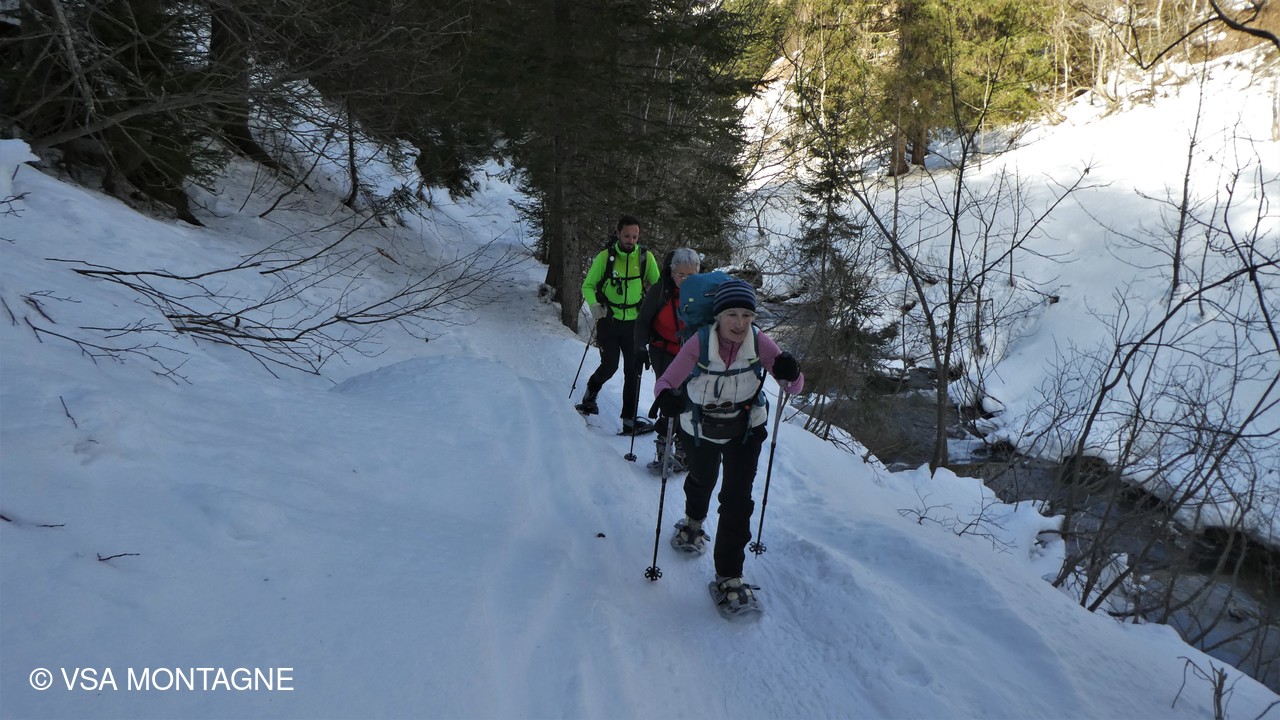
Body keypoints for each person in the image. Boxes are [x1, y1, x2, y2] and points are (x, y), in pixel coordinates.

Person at [652, 278, 803, 616]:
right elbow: (666, 382)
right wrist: (667, 398)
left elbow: (793, 387)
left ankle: (729, 576)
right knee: (703, 478)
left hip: (745, 430)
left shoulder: (759, 341)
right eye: (732, 314)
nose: (740, 323)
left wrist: (791, 373)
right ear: (718, 316)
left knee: (737, 501)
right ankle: (693, 521)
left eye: (747, 315)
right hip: (700, 429)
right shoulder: (699, 342)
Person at [576, 215, 661, 434]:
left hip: (635, 324)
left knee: (633, 371)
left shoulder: (645, 258)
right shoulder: (605, 257)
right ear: (618, 233)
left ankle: (629, 421)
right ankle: (590, 395)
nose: (631, 241)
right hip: (609, 320)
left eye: (635, 237)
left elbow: (658, 288)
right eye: (626, 236)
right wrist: (594, 305)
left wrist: (654, 314)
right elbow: (588, 285)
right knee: (610, 365)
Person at [635, 247, 701, 471]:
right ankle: (663, 447)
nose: (685, 279)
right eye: (680, 274)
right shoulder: (660, 290)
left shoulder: (702, 293)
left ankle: (682, 449)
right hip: (662, 349)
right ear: (671, 272)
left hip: (690, 352)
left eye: (690, 275)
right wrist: (640, 347)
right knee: (669, 396)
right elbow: (643, 321)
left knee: (688, 399)